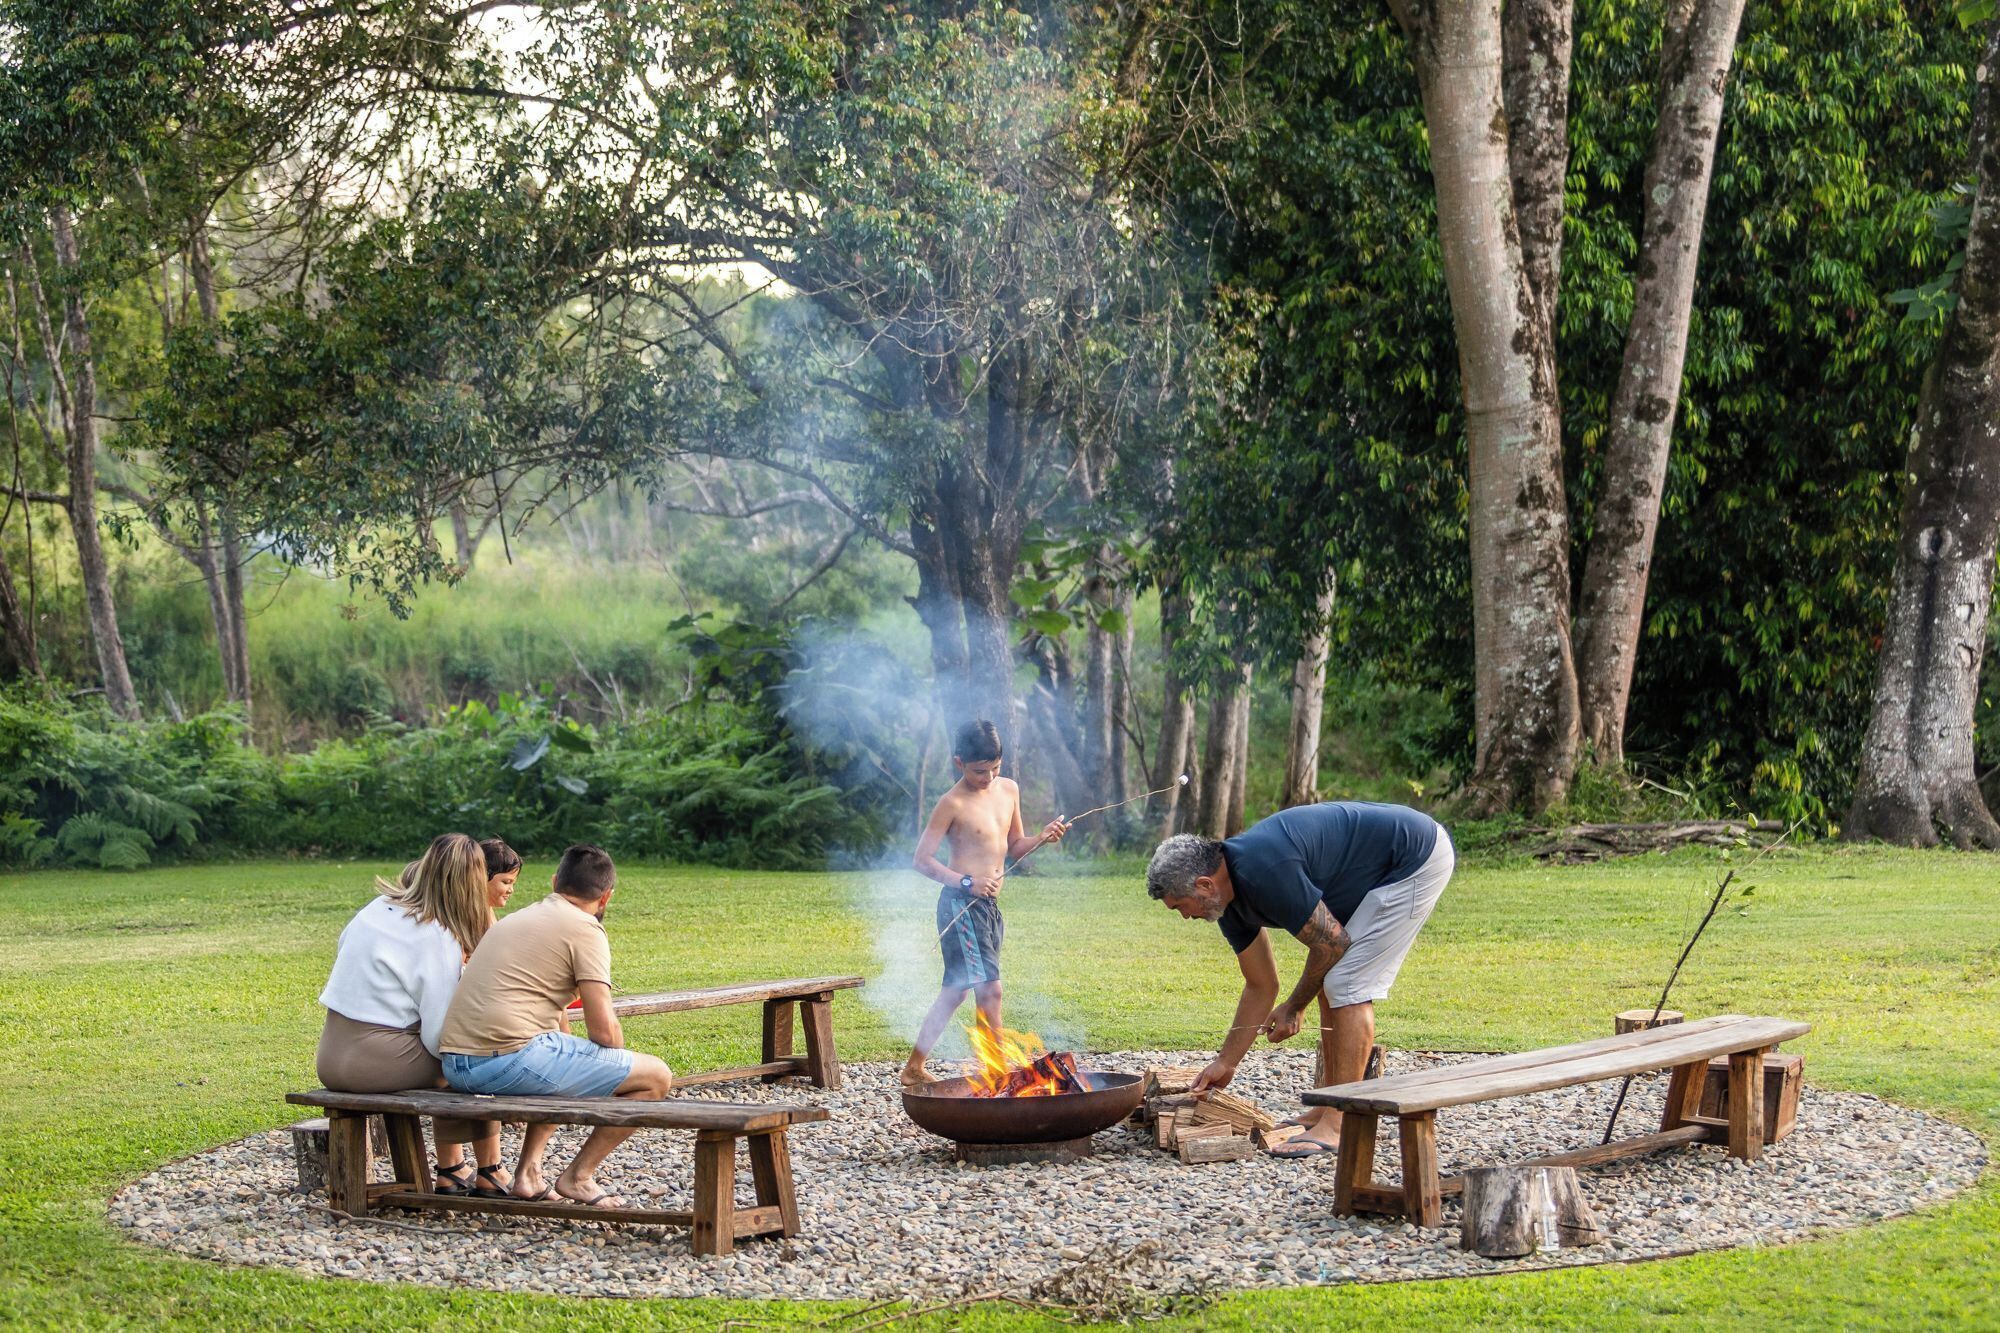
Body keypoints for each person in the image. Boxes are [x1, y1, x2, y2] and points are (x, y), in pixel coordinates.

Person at [1144, 801, 1454, 1158]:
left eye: (1180, 905)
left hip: (1413, 858)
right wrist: (1226, 1062)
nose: (1184, 916)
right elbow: (1262, 984)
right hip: (1379, 866)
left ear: (1204, 884)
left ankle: (1339, 1124)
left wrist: (1294, 1006)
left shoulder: (1264, 870)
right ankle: (1327, 1107)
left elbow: (1333, 942)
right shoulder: (1225, 903)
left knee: (1346, 984)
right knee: (1333, 979)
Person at [438, 843, 673, 1207]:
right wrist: (618, 1063)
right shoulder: (586, 930)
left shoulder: (517, 918)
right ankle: (578, 1177)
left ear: (554, 882)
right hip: (502, 1062)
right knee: (656, 1076)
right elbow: (603, 1032)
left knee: (564, 1054)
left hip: (455, 1064)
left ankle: (528, 1176)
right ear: (607, 896)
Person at [315, 833, 509, 1195]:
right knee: (476, 1061)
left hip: (330, 1055)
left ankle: (454, 1168)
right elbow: (440, 1039)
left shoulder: (375, 909)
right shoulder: (435, 936)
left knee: (458, 1058)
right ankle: (490, 1170)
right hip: (376, 1063)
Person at [901, 718, 1069, 1089]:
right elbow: (922, 860)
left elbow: (1014, 846)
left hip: (990, 909)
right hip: (961, 907)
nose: (989, 777)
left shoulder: (1008, 790)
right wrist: (967, 882)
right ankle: (996, 1075)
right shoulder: (951, 803)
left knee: (957, 990)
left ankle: (914, 1067)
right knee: (989, 989)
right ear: (958, 763)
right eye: (980, 771)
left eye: (995, 768)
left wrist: (1042, 838)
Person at [480, 837, 522, 912]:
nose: (511, 890)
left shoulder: (487, 909)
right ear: (482, 876)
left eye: (513, 884)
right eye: (506, 882)